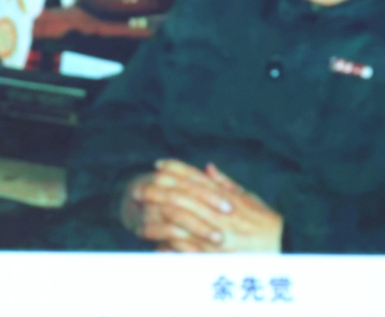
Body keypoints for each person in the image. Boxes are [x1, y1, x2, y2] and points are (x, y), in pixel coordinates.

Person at [60, 0, 385, 253]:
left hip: (324, 288)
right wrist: (133, 194)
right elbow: (113, 122)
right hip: (148, 253)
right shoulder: (213, 10)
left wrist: (287, 243)